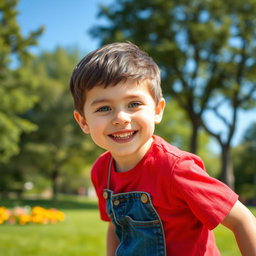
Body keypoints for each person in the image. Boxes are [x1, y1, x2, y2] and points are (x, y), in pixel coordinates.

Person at [70, 42, 256, 256]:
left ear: (157, 110)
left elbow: (243, 220)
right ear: (83, 121)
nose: (121, 118)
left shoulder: (176, 169)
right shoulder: (101, 171)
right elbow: (116, 227)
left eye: (133, 104)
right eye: (104, 108)